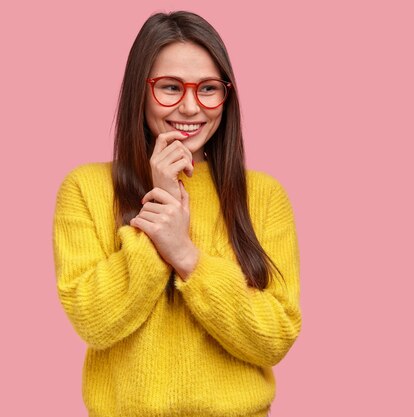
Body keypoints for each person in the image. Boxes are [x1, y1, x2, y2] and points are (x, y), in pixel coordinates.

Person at [52, 10, 301, 417]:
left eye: (208, 88)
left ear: (227, 95)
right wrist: (160, 208)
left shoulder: (264, 195)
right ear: (140, 90)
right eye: (170, 87)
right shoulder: (86, 188)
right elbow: (94, 322)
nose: (190, 107)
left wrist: (186, 255)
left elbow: (275, 338)